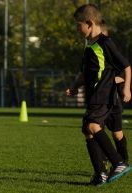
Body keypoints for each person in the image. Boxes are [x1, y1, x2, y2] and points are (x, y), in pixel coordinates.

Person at [66, 4, 131, 186]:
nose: (77, 29)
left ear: (89, 23)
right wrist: (74, 85)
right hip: (93, 97)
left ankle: (119, 162)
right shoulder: (90, 46)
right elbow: (85, 72)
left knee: (93, 126)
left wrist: (126, 88)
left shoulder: (105, 42)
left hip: (103, 97)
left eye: (78, 25)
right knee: (87, 130)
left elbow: (126, 66)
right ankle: (100, 173)